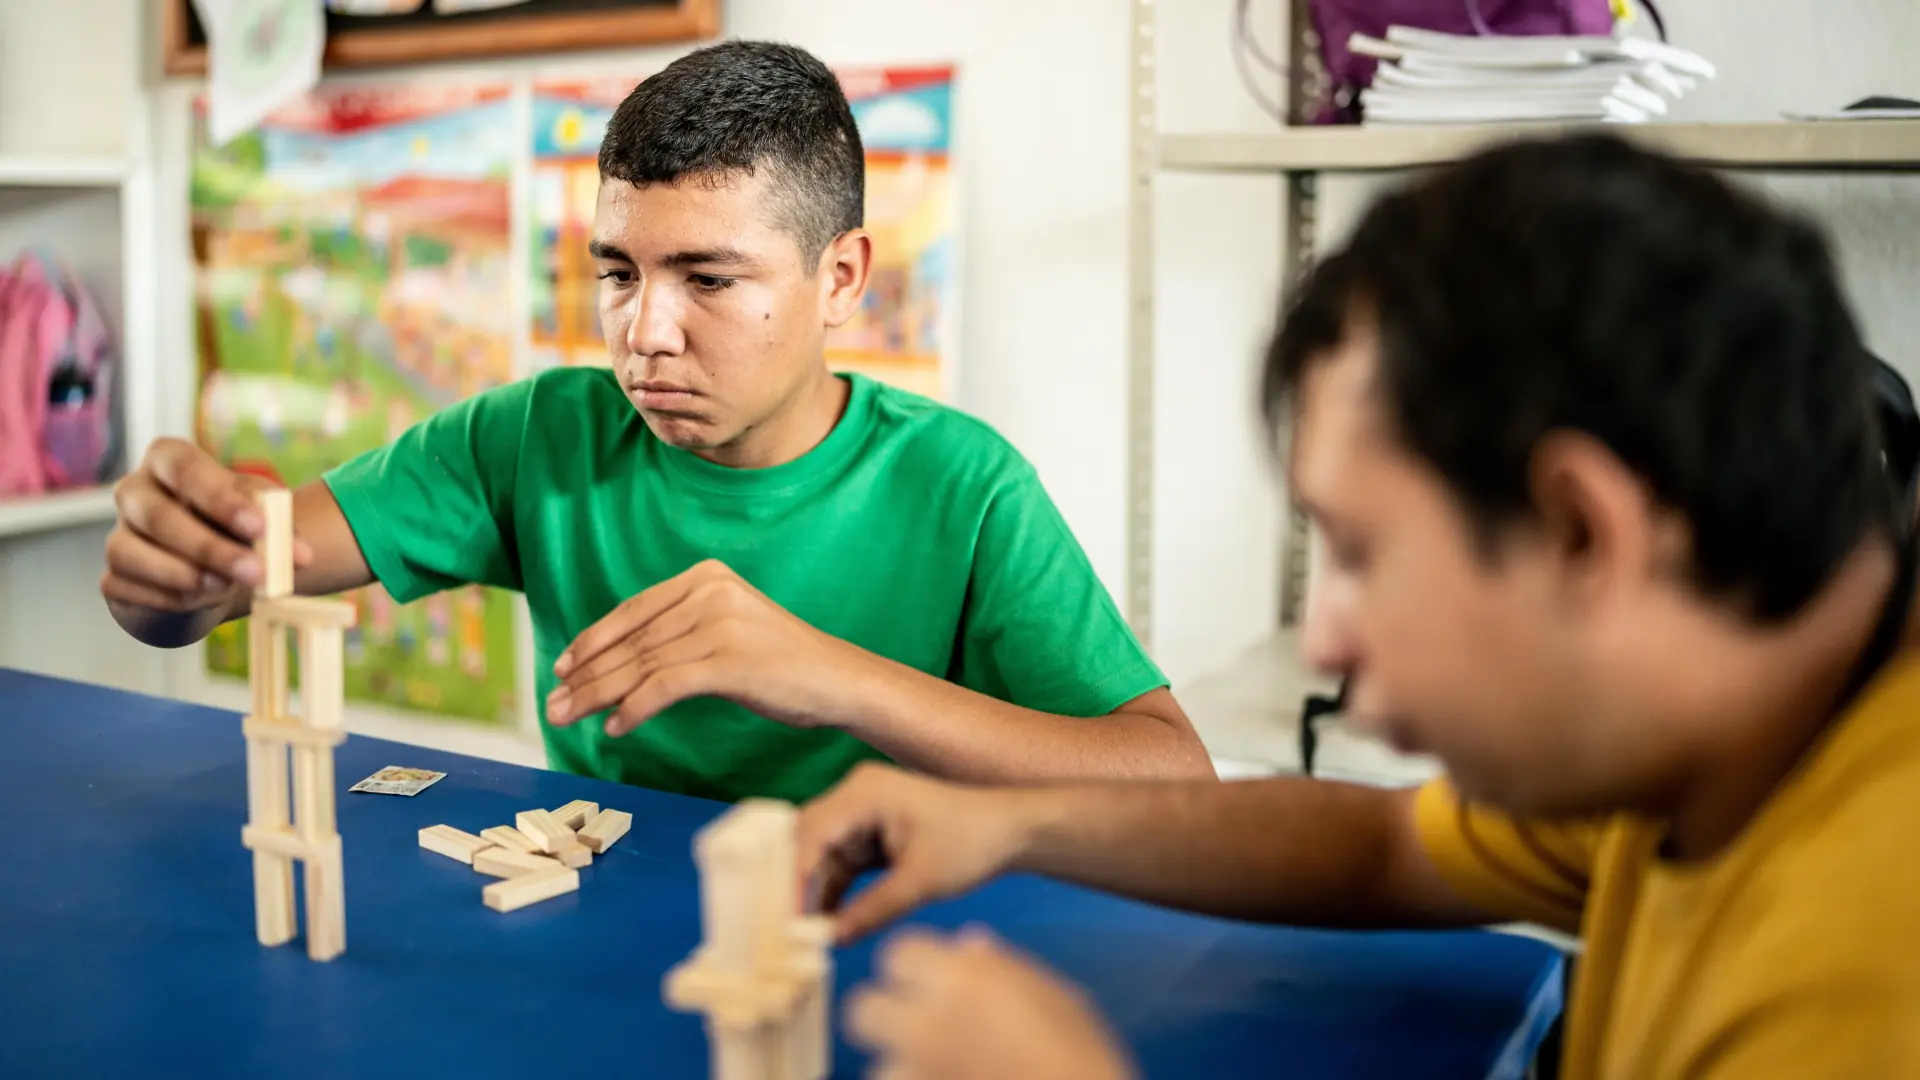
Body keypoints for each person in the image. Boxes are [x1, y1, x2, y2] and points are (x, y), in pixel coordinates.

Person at [795, 131, 1920, 1079]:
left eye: (1362, 551)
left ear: (1583, 529)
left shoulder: (1861, 981)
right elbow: (1389, 844)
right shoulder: (1714, 726)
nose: (1327, 636)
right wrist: (1017, 821)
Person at [99, 40, 1213, 803]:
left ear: (841, 278)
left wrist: (829, 675)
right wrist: (180, 575)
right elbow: (240, 577)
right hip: (595, 910)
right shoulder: (536, 436)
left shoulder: (964, 486)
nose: (645, 334)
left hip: (879, 935)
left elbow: (1172, 777)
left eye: (709, 280)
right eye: (619, 273)